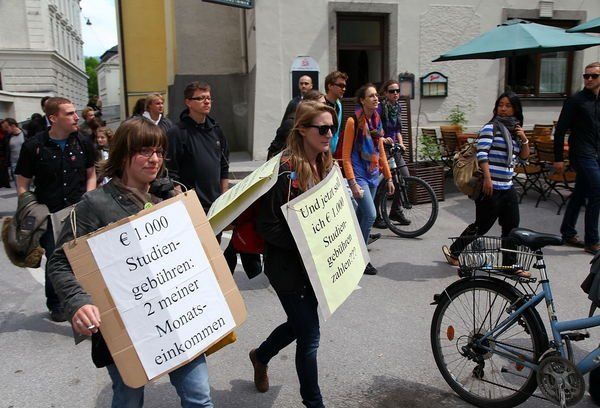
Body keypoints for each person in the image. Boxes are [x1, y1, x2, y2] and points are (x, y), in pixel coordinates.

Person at [46, 117, 214, 408]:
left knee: (199, 397)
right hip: (126, 328)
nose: (155, 159)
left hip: (179, 317)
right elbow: (59, 263)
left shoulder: (171, 195)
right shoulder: (94, 205)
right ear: (123, 154)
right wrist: (78, 302)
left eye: (159, 152)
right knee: (129, 398)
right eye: (145, 151)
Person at [250, 101, 335, 408]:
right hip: (287, 268)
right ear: (302, 130)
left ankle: (261, 356)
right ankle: (314, 403)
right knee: (309, 336)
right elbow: (266, 225)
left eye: (332, 128)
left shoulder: (326, 164)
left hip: (314, 266)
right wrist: (303, 242)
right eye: (322, 129)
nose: (329, 134)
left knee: (300, 325)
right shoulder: (285, 171)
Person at [15, 97, 97, 322]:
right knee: (56, 258)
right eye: (69, 113)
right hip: (50, 215)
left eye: (75, 112)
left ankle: (87, 300)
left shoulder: (82, 142)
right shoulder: (34, 146)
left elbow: (91, 174)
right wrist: (28, 208)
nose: (76, 117)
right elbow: (22, 182)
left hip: (80, 212)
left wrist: (89, 198)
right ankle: (56, 303)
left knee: (84, 258)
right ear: (53, 118)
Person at [442, 92, 531, 275]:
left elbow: (523, 158)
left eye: (508, 105)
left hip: (508, 186)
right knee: (481, 226)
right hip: (489, 186)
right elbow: (483, 154)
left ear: (515, 109)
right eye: (500, 105)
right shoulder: (491, 128)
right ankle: (455, 251)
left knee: (511, 227)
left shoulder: (515, 132)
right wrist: (488, 179)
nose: (503, 109)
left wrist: (524, 139)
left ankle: (510, 265)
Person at [342, 84, 394, 276]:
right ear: (362, 100)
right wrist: (352, 182)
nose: (376, 98)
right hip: (359, 175)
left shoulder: (377, 120)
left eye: (376, 95)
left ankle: (347, 250)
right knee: (371, 215)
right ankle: (361, 259)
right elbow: (346, 156)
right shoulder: (352, 121)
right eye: (371, 96)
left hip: (372, 174)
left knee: (361, 215)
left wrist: (388, 177)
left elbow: (380, 151)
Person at [554, 62, 600, 255]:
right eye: (586, 76)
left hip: (596, 153)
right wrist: (558, 158)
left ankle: (567, 232)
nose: (589, 79)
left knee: (580, 193)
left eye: (594, 76)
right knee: (597, 191)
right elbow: (560, 131)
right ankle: (592, 241)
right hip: (581, 153)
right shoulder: (575, 101)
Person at [373, 80, 411, 228]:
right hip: (382, 148)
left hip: (394, 148)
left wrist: (401, 143)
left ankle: (395, 211)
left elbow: (397, 129)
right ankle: (376, 215)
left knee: (404, 177)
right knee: (381, 182)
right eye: (391, 91)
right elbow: (375, 128)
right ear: (385, 93)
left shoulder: (397, 107)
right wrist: (382, 138)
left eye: (397, 91)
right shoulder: (380, 108)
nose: (395, 93)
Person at [267, 90, 326, 159]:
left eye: (325, 104)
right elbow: (275, 150)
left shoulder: (318, 122)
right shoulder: (292, 124)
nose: (325, 107)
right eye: (321, 104)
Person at [323, 71, 348, 155]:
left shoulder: (339, 105)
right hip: (320, 151)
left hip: (333, 152)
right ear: (330, 86)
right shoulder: (321, 104)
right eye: (340, 85)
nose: (343, 89)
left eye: (344, 86)